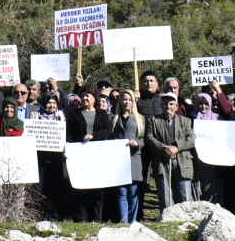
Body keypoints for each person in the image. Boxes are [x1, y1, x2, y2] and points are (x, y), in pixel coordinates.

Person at [145, 93, 195, 211]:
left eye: (171, 104)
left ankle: (187, 220)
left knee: (185, 196)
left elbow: (191, 139)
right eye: (165, 103)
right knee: (166, 197)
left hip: (182, 162)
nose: (168, 106)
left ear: (176, 106)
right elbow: (149, 137)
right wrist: (164, 148)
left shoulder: (186, 121)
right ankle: (169, 223)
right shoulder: (153, 120)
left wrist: (177, 147)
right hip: (162, 163)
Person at [63, 91, 108, 221]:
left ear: (95, 99)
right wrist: (68, 150)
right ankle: (81, 218)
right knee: (81, 187)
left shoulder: (102, 114)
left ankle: (96, 218)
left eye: (88, 95)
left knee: (97, 189)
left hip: (97, 157)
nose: (85, 98)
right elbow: (69, 135)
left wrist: (93, 136)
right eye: (83, 96)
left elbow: (107, 131)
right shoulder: (74, 115)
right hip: (80, 157)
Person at [106, 90, 146, 223]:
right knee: (121, 192)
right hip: (119, 160)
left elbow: (145, 139)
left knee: (133, 192)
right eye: (124, 99)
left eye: (129, 99)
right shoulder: (113, 119)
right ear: (120, 101)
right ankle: (124, 221)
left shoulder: (140, 119)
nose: (126, 102)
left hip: (135, 158)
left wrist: (137, 143)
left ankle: (133, 220)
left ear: (133, 102)